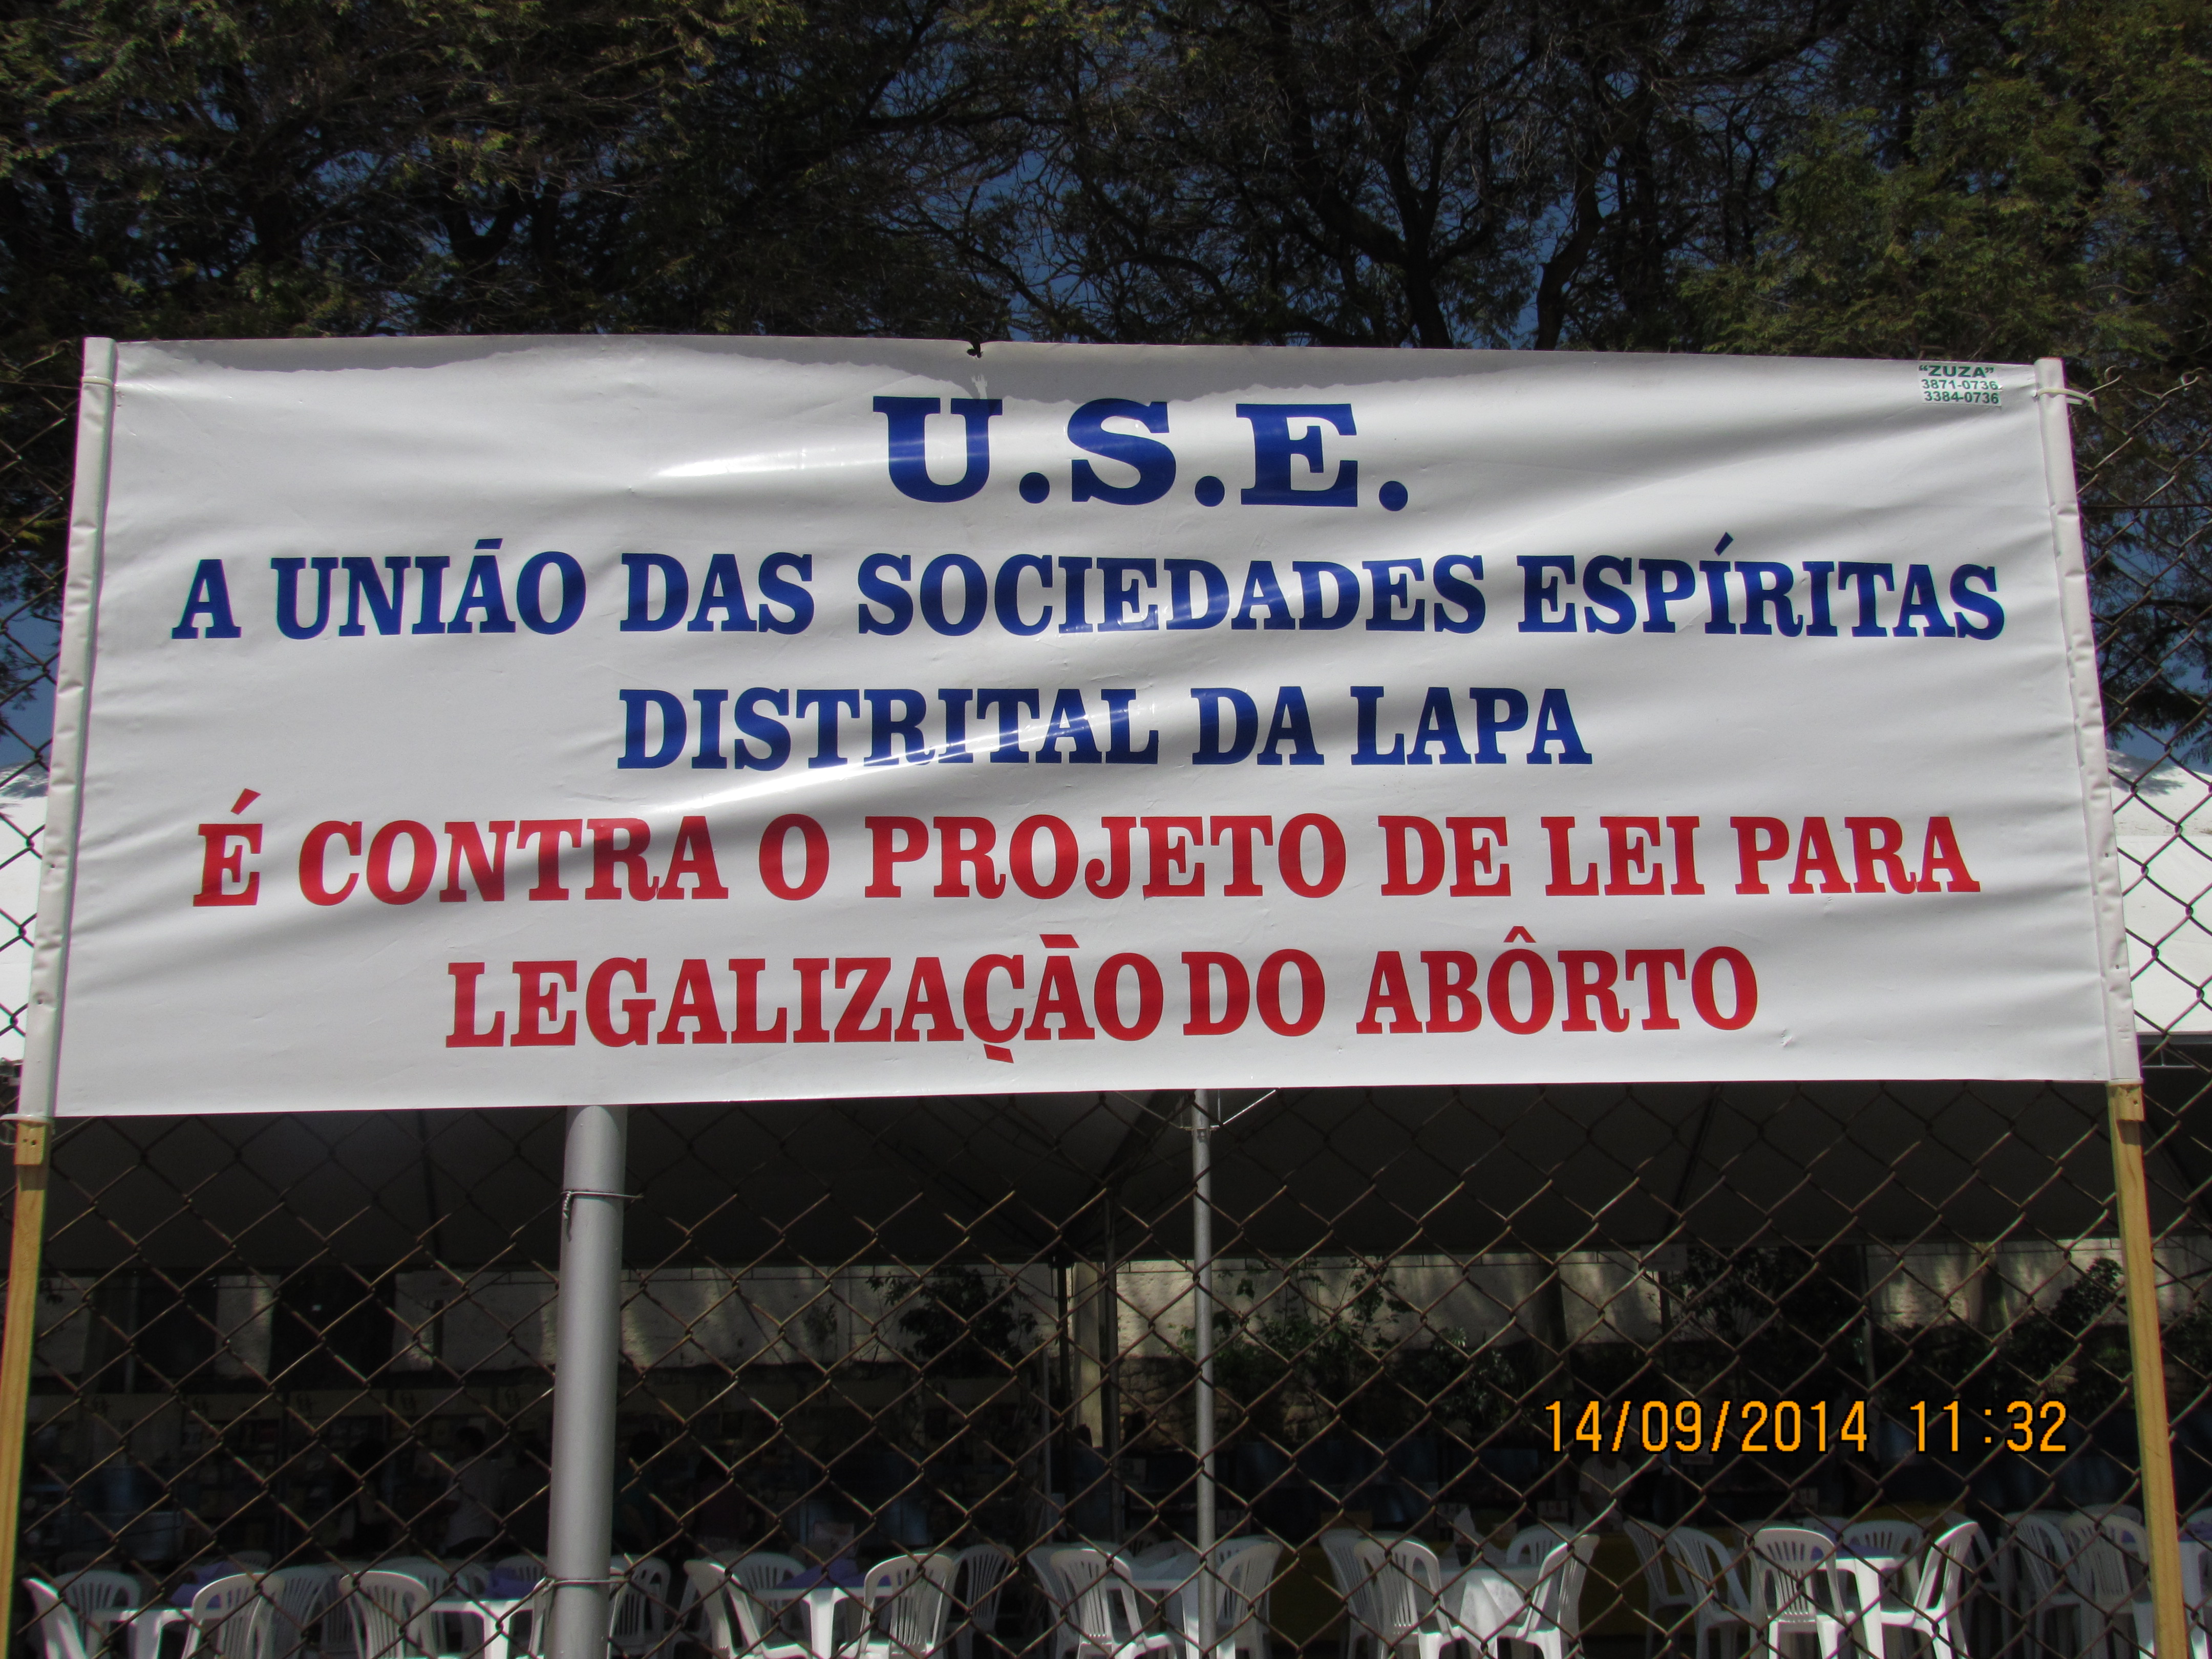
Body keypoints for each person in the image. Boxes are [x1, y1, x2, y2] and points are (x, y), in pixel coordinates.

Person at [442, 1426, 504, 1555]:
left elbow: (452, 1504)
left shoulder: (460, 1468)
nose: (454, 1448)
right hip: (487, 1534)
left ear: (466, 1443)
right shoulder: (494, 1470)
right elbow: (497, 1505)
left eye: (456, 1443)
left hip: (462, 1536)